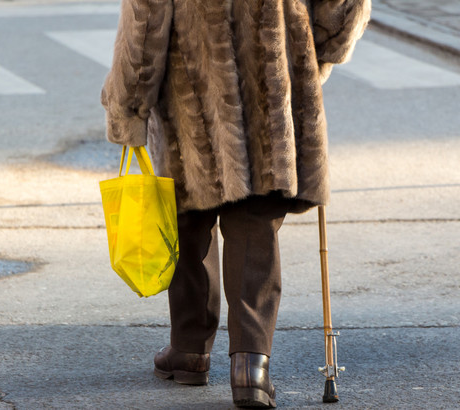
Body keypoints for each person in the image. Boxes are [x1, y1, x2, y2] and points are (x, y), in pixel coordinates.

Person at [101, 0, 371, 407]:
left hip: (190, 79)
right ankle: (251, 366)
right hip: (273, 73)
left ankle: (190, 349)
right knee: (255, 218)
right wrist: (319, 49)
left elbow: (146, 18)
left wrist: (128, 102)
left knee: (191, 211)